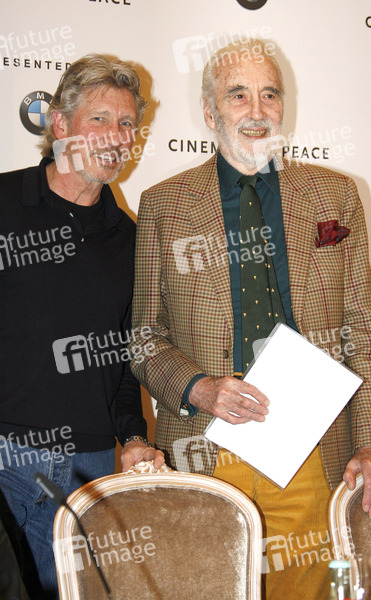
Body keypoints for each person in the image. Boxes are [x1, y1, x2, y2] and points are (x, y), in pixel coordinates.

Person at [131, 39, 371, 599]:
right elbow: (143, 336)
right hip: (205, 450)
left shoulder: (335, 196)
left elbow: (366, 332)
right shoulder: (163, 205)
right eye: (238, 95)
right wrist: (199, 388)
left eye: (269, 94)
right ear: (210, 114)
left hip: (313, 451)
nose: (256, 111)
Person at [0, 54, 164, 600]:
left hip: (84, 470)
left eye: (127, 123)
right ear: (59, 123)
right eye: (99, 119)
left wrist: (134, 436)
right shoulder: (2, 203)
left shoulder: (131, 239)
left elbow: (125, 360)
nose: (116, 136)